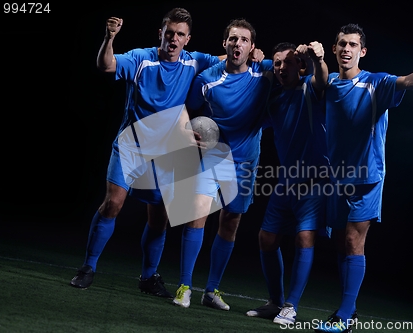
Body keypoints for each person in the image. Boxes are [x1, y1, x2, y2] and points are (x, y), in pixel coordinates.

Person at [69, 7, 225, 298]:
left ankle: (148, 277)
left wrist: (257, 56)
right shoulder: (142, 58)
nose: (174, 39)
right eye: (169, 33)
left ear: (187, 39)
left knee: (159, 218)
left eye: (180, 34)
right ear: (161, 34)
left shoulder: (194, 62)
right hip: (132, 146)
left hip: (168, 155)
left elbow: (229, 59)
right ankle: (88, 267)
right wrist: (109, 37)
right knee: (113, 204)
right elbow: (106, 65)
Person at [314, 23, 413, 333]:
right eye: (341, 44)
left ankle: (344, 316)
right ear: (335, 49)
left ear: (362, 52)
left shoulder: (376, 83)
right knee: (340, 245)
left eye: (352, 45)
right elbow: (319, 81)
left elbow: (406, 82)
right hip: (337, 177)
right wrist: (312, 57)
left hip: (368, 176)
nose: (345, 49)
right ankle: (352, 309)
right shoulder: (331, 81)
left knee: (353, 240)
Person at [171, 18, 274, 310]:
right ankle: (184, 287)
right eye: (233, 39)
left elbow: (289, 70)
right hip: (215, 156)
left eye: (243, 40)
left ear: (252, 47)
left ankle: (211, 290)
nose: (237, 44)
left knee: (230, 222)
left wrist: (265, 58)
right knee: (197, 215)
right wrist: (188, 129)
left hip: (246, 161)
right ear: (224, 44)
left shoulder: (263, 71)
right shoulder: (207, 79)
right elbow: (185, 107)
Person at [244, 41, 329, 325]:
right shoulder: (275, 99)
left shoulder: (311, 88)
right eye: (277, 63)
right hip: (285, 182)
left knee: (304, 238)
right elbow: (251, 121)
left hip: (316, 181)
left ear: (300, 66)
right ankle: (275, 302)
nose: (281, 68)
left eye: (287, 62)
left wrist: (315, 57)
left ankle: (291, 307)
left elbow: (322, 77)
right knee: (266, 239)